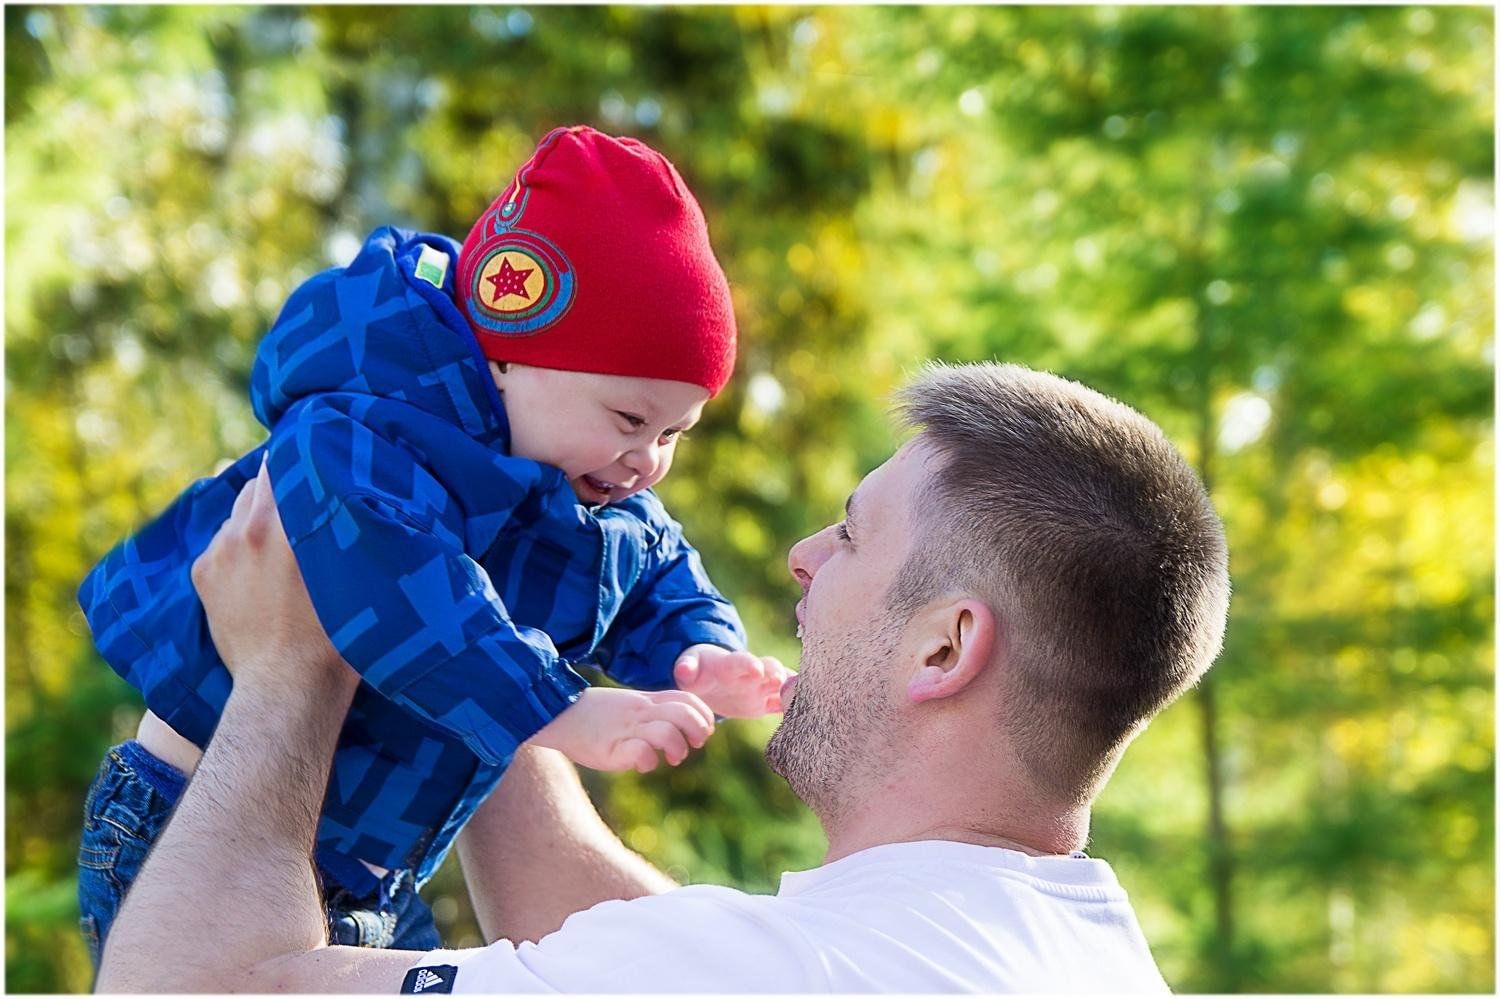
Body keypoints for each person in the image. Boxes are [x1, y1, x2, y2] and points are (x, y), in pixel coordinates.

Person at [96, 361, 1231, 993]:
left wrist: (291, 670)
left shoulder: (787, 974)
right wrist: (464, 635)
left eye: (848, 534)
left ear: (944, 648)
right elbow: (634, 945)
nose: (802, 556)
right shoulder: (1065, 954)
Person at [75, 125, 790, 964]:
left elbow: (649, 561)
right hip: (194, 818)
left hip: (369, 878)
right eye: (630, 419)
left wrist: (698, 648)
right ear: (512, 354)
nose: (650, 459)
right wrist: (559, 708)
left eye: (677, 432)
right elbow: (405, 593)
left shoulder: (569, 477)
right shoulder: (364, 431)